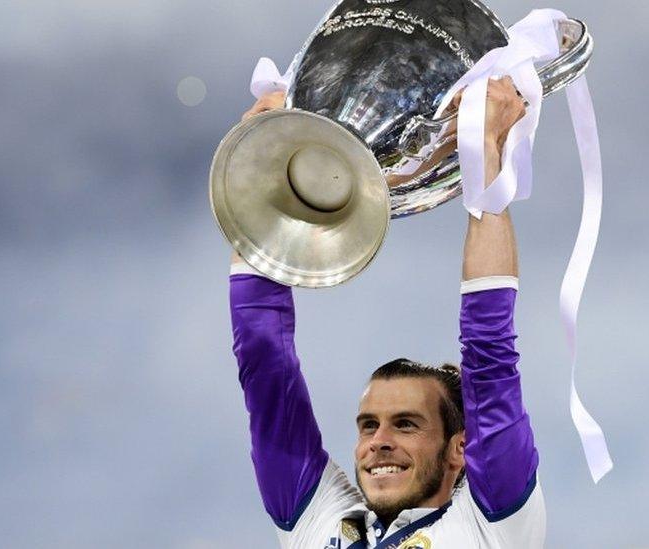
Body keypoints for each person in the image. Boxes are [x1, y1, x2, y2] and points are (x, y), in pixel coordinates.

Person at [228, 77, 544, 548]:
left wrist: (485, 150)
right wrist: (266, 163)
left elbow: (489, 352)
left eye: (407, 423)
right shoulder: (319, 523)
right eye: (368, 425)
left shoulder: (493, 526)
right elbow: (263, 360)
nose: (379, 441)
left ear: (461, 449)